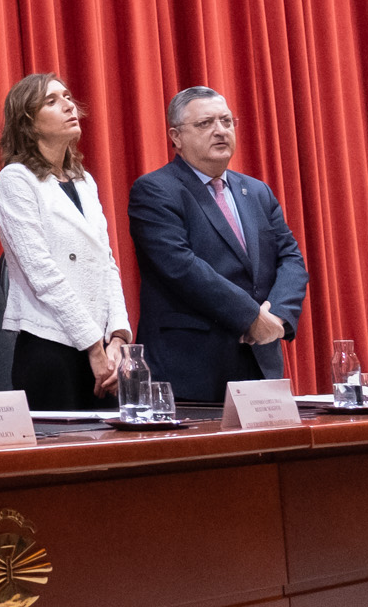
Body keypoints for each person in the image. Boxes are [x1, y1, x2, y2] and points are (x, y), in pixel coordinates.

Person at [127, 85, 309, 405]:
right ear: (176, 137)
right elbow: (181, 267)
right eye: (205, 124)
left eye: (226, 121)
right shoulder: (155, 190)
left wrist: (277, 318)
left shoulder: (256, 191)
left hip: (259, 363)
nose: (220, 130)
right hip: (190, 369)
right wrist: (252, 317)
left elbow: (291, 258)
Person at [0, 72, 132, 410]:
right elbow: (42, 273)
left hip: (101, 351)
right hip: (50, 348)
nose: (69, 105)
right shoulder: (15, 180)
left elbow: (106, 262)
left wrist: (118, 337)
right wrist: (94, 346)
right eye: (52, 101)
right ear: (28, 122)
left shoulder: (85, 181)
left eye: (67, 97)